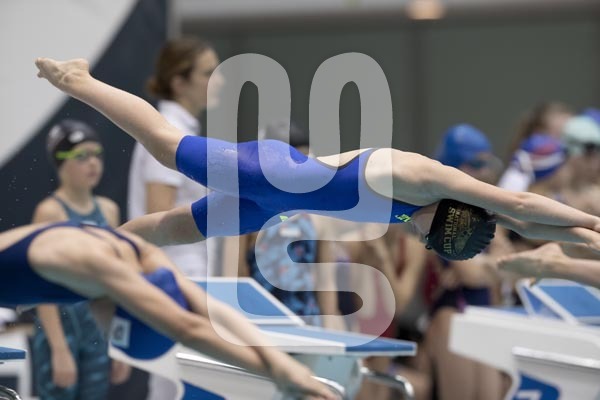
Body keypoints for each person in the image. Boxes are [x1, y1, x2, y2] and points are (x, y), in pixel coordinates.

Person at [35, 58, 600, 261]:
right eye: (432, 239)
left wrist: (589, 243)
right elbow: (523, 203)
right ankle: (79, 80)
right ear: (449, 217)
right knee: (165, 146)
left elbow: (527, 225)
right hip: (270, 172)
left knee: (174, 229)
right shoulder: (429, 180)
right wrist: (596, 223)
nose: (421, 241)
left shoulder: (441, 215)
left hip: (270, 205)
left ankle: (88, 246)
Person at [0, 221, 337, 400]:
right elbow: (187, 328)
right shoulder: (100, 265)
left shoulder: (142, 257)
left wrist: (281, 365)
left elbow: (209, 311)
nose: (103, 332)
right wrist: (279, 375)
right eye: (111, 333)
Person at [127, 36, 222, 400]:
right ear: (179, 82)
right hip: (177, 279)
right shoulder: (168, 132)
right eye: (208, 73)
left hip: (190, 278)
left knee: (186, 385)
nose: (219, 80)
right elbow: (158, 218)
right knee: (179, 387)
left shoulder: (181, 130)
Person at [31, 120, 126, 400]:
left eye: (97, 154)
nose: (93, 162)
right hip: (61, 330)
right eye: (82, 156)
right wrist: (59, 348)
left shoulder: (109, 211)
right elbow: (41, 288)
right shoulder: (50, 212)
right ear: (60, 163)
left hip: (97, 331)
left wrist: (119, 345)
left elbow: (116, 282)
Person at [222, 121, 344, 330]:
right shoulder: (246, 208)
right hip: (260, 324)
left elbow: (326, 282)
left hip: (307, 325)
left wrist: (330, 327)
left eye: (305, 162)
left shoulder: (318, 214)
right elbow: (232, 276)